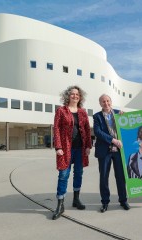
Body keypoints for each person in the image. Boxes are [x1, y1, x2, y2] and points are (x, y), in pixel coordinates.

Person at [52, 86, 92, 220]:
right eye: (73, 94)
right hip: (65, 148)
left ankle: (76, 199)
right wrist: (58, 146)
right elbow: (56, 128)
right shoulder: (61, 111)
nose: (75, 96)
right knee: (63, 175)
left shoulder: (82, 112)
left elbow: (86, 130)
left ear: (80, 97)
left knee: (78, 173)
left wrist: (88, 146)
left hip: (80, 149)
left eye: (77, 94)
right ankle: (60, 204)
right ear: (68, 96)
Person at [93, 94, 130, 213]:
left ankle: (123, 200)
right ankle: (105, 202)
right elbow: (97, 132)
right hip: (105, 151)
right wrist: (113, 140)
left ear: (111, 101)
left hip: (118, 151)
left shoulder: (119, 113)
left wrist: (126, 117)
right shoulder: (97, 116)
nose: (106, 103)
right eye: (103, 101)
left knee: (121, 177)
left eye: (108, 101)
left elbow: (128, 125)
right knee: (104, 177)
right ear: (100, 104)